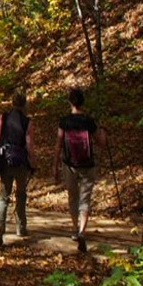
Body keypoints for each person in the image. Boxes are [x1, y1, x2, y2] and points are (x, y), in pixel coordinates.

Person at [52, 87, 107, 253]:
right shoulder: (88, 121)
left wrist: (54, 165)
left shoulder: (65, 121)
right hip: (87, 165)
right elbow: (102, 143)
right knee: (85, 198)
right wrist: (103, 132)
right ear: (83, 102)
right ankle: (82, 231)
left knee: (72, 196)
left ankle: (75, 229)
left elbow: (59, 145)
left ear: (69, 102)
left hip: (69, 165)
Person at [0, 91, 35, 247]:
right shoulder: (27, 122)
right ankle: (21, 228)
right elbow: (29, 144)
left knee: (3, 197)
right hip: (21, 162)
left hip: (5, 161)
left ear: (12, 103)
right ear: (24, 104)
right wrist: (33, 161)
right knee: (21, 194)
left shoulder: (3, 117)